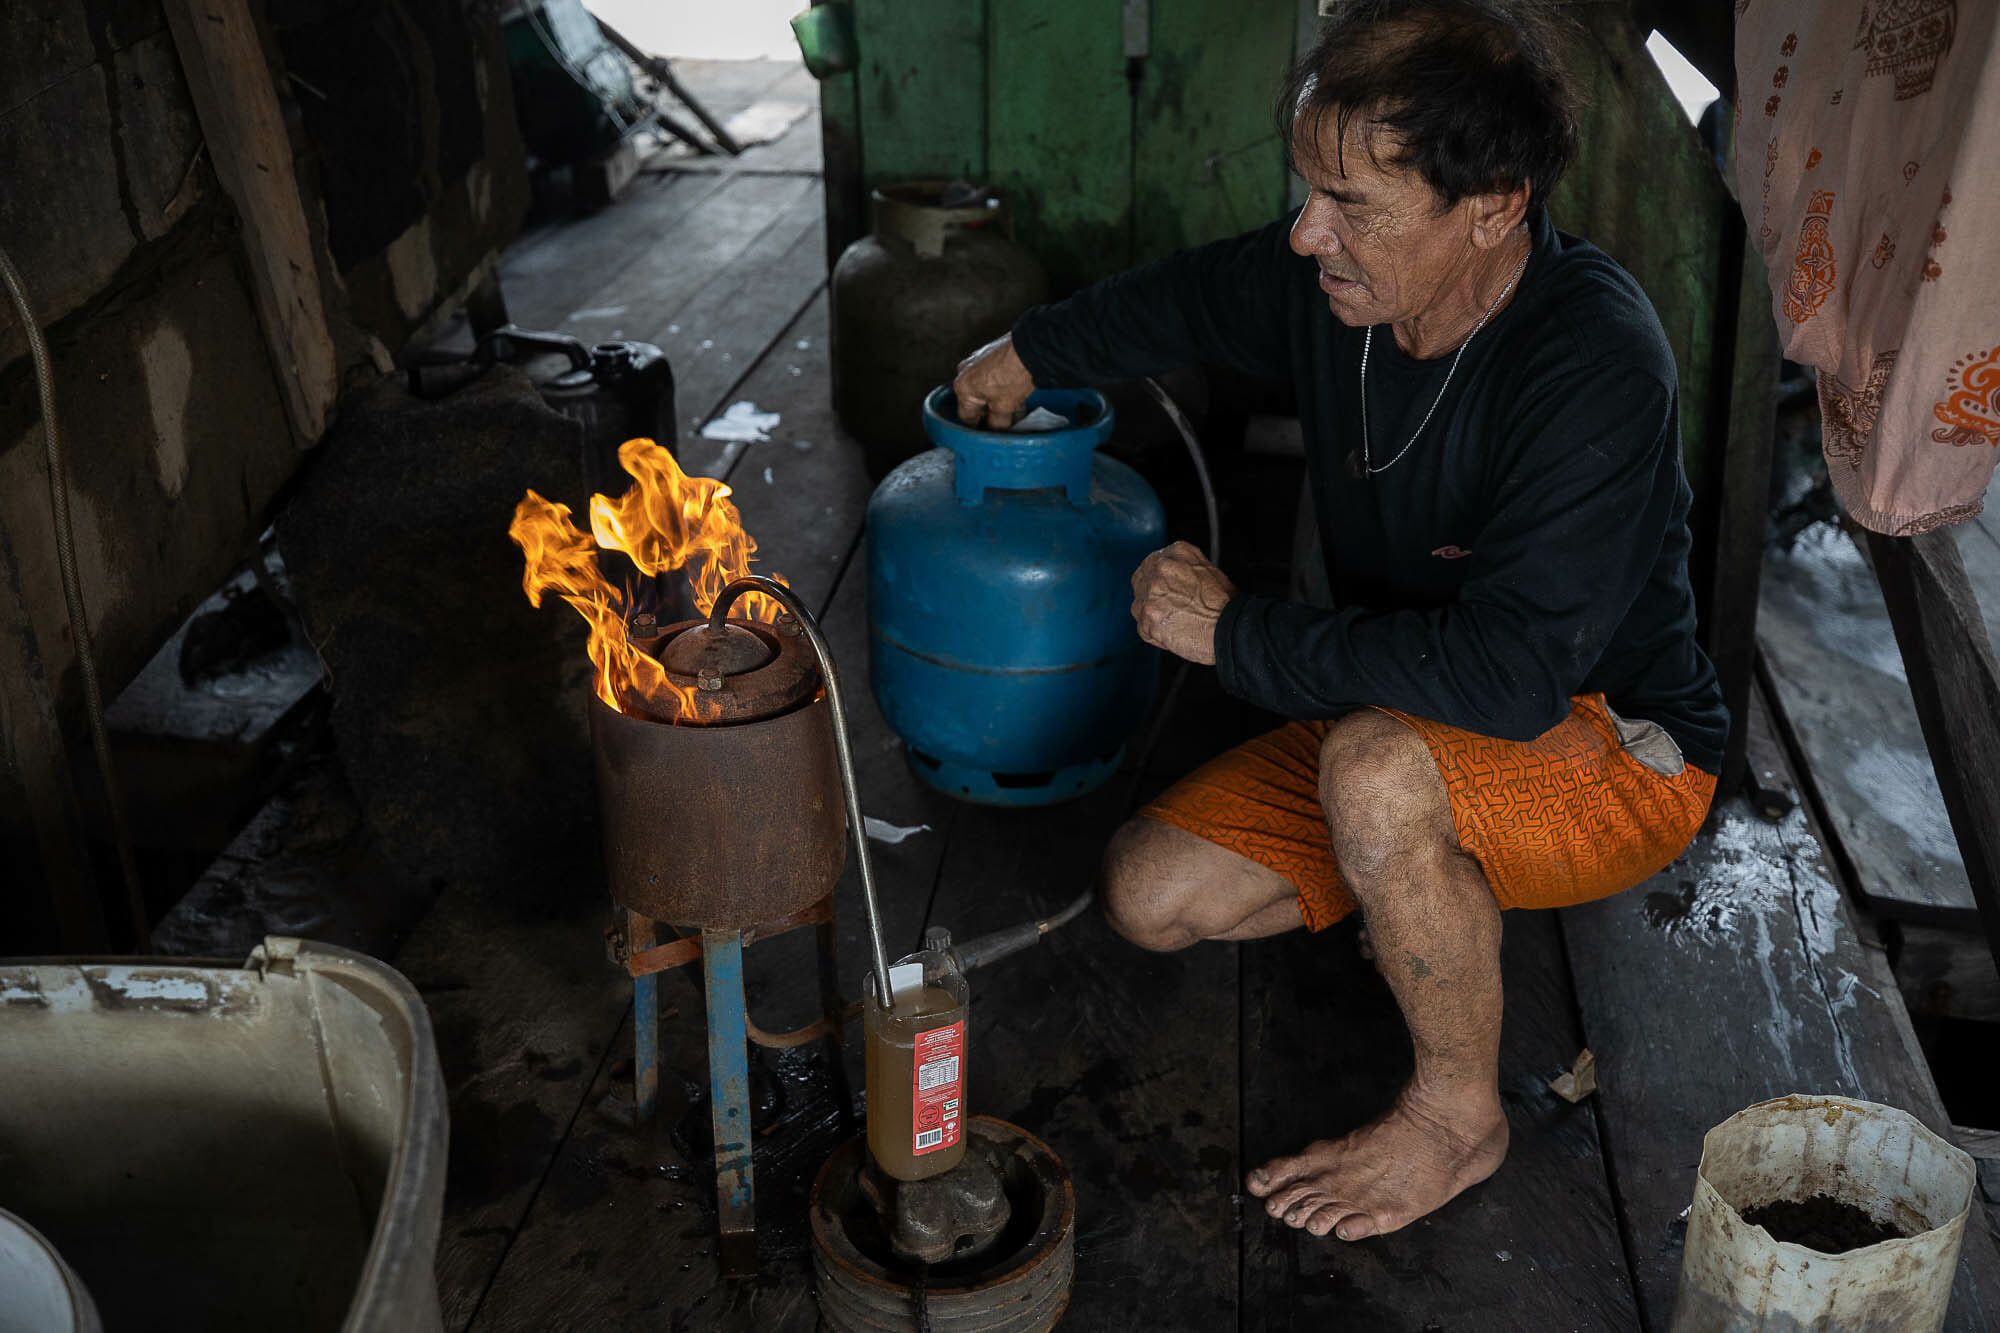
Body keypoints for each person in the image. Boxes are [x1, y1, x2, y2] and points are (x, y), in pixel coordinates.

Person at [953, 0, 1726, 1243]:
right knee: (1146, 894)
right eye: (1304, 189)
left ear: (1492, 204)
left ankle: (1454, 1116)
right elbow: (1186, 300)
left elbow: (1511, 675)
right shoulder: (1330, 285)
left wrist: (1236, 633)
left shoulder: (1591, 356)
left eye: (1350, 203)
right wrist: (1025, 351)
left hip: (1609, 741)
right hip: (1405, 712)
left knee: (1373, 774)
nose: (1307, 232)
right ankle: (1423, 880)